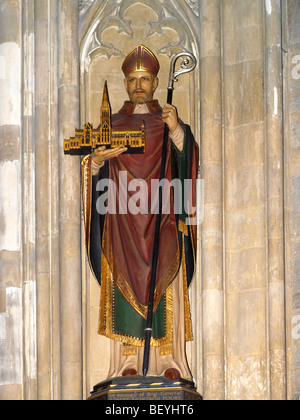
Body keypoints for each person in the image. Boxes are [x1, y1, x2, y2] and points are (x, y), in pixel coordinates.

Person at [81, 45, 199, 381]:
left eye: (145, 79)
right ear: (126, 83)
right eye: (133, 79)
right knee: (122, 284)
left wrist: (178, 132)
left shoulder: (167, 123)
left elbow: (188, 162)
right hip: (122, 223)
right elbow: (91, 169)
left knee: (166, 280)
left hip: (161, 219)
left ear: (157, 82)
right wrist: (99, 160)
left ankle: (169, 363)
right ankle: (125, 363)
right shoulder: (113, 124)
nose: (138, 85)